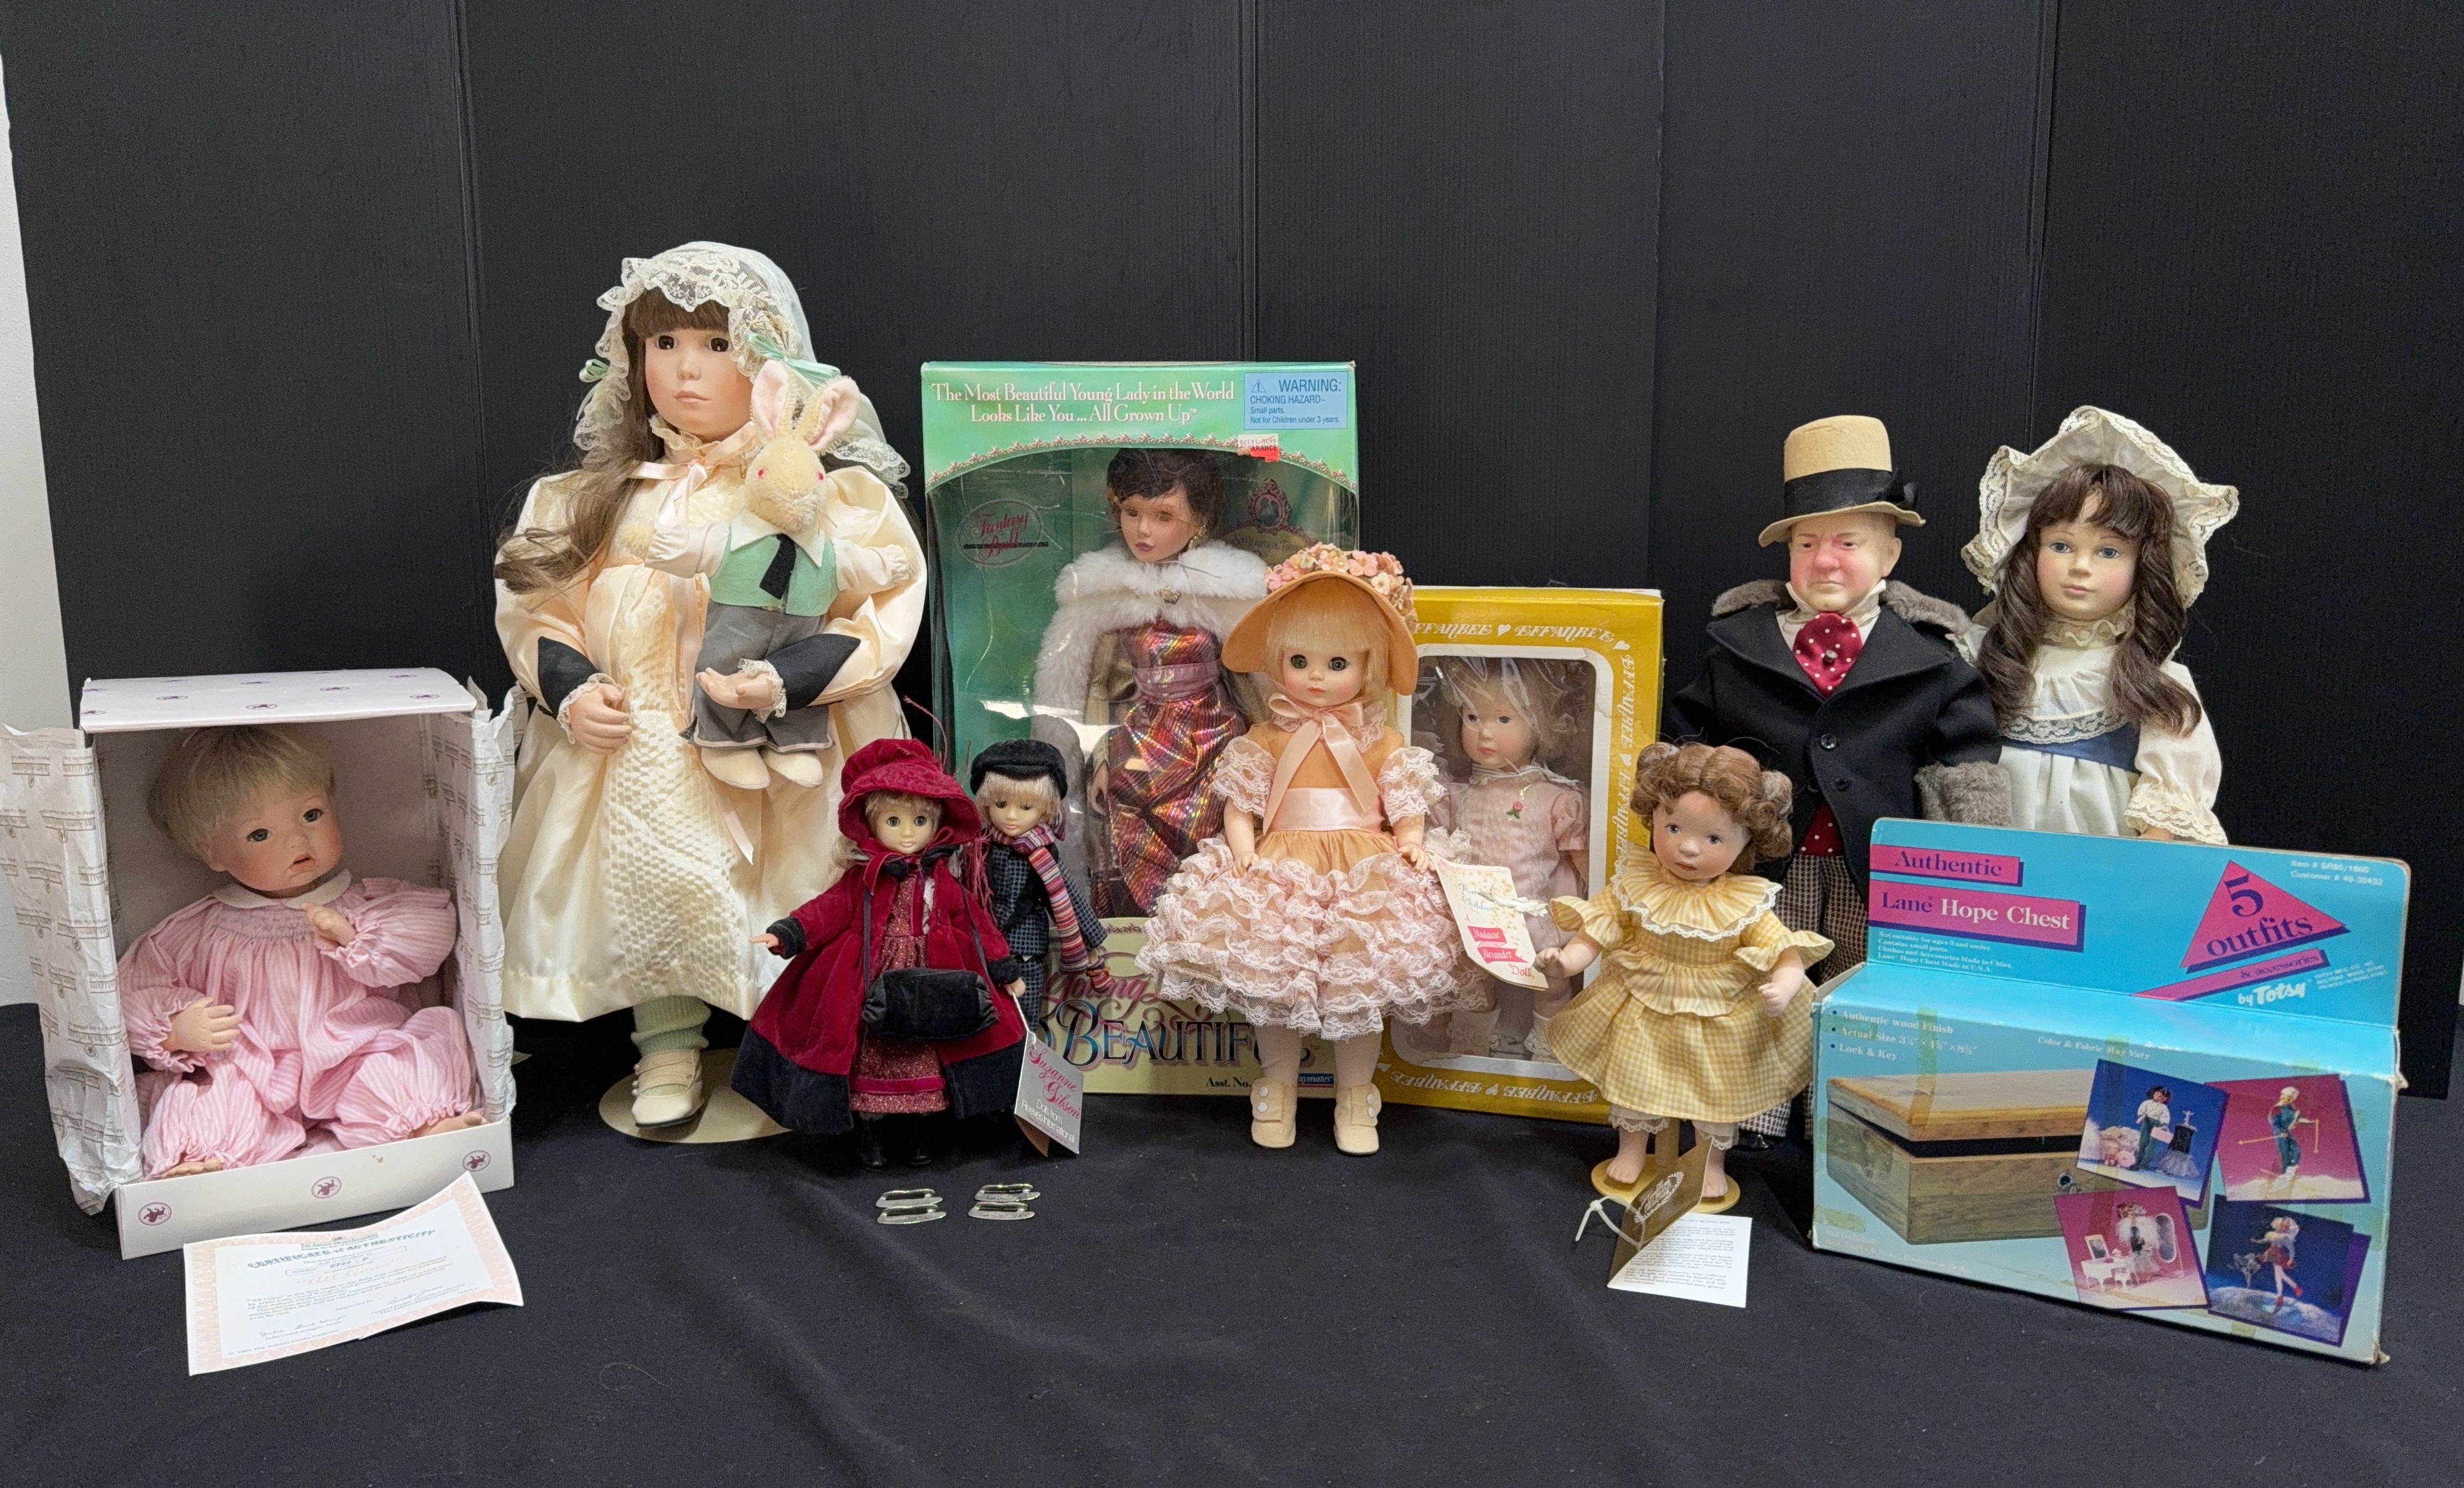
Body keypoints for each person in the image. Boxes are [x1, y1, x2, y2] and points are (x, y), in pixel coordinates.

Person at [493, 242, 922, 1129]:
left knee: (795, 884)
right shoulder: (594, 498)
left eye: (716, 346)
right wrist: (570, 687)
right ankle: (667, 1045)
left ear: (769, 366)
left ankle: (796, 1047)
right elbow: (538, 611)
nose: (685, 370)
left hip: (789, 734)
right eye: (664, 344)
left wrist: (789, 679)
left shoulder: (817, 494)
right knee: (654, 886)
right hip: (643, 742)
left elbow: (878, 609)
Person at [1668, 415, 2008, 1144]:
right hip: (1770, 866)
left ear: (1889, 552)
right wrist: (1691, 792)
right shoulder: (1736, 646)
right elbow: (1689, 735)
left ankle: (1844, 1121)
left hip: (1874, 869)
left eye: (1847, 543)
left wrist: (1966, 847)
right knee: (1760, 981)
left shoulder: (1931, 655)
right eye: (1806, 544)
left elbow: (1966, 759)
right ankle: (1750, 1117)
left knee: (1860, 992)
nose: (1824, 561)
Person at [1137, 546, 1476, 1155]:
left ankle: (1356, 1095)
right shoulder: (1266, 736)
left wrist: (1411, 843)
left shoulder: (1380, 739)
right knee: (1275, 985)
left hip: (1362, 871)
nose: (1316, 677)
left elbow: (1404, 802)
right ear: (1277, 663)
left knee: (1358, 989)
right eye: (1299, 661)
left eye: (1336, 663)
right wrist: (1244, 853)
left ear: (1368, 666)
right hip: (1282, 865)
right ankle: (1277, 1087)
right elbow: (1240, 806)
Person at [119, 726, 478, 1177]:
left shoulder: (364, 906)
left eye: (311, 815)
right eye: (260, 834)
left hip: (355, 1051)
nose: (297, 841)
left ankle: (424, 1125)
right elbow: (130, 992)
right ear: (212, 853)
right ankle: (203, 1160)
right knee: (213, 1093)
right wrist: (171, 1027)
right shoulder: (197, 930)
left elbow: (430, 940)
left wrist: (358, 939)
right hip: (253, 1069)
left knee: (399, 1061)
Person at [1535, 743, 1832, 1204]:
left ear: (1747, 841)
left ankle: (1709, 1162)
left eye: (1714, 839)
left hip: (1719, 1013)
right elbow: (1598, 928)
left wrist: (1784, 985)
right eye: (1672, 828)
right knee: (1635, 1081)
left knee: (1717, 1094)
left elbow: (1784, 951)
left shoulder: (1742, 901)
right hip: (1643, 1004)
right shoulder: (1636, 882)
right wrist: (1567, 961)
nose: (1688, 848)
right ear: (1653, 817)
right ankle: (1632, 1150)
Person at [731, 740, 1030, 1169]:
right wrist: (791, 932)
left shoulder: (943, 881)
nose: (908, 833)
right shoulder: (864, 879)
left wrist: (1003, 967)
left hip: (934, 979)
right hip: (873, 974)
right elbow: (829, 909)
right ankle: (871, 1136)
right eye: (894, 821)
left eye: (920, 821)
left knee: (929, 1056)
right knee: (870, 1054)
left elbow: (976, 924)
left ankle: (922, 1136)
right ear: (872, 824)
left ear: (937, 823)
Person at [1959, 406, 2239, 842]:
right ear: (2030, 553)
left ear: (2144, 567)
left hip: (2101, 869)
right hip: (1994, 871)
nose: (2080, 567)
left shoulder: (2152, 682)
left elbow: (2167, 815)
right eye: (2061, 545)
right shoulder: (1983, 658)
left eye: (2108, 552)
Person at [1031, 448, 1268, 916]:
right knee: (1126, 834)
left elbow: (1253, 681)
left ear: (1200, 520)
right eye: (1131, 512)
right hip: (1136, 741)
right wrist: (1100, 757)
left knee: (1208, 839)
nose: (1143, 531)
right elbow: (1094, 687)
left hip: (1211, 739)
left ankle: (1203, 925)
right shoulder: (1107, 592)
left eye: (1164, 517)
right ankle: (1130, 928)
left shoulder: (1225, 591)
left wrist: (1269, 750)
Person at [1414, 657, 1590, 1059]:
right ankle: (1468, 1050)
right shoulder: (1455, 795)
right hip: (1474, 917)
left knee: (1551, 984)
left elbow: (1584, 867)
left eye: (1504, 720)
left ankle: (1550, 1049)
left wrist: (1594, 914)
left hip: (1535, 914)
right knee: (1473, 985)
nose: (1485, 733)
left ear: (1541, 726)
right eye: (1473, 717)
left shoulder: (1557, 798)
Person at [966, 738, 1119, 1025]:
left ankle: (1025, 1051)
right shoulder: (979, 848)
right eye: (1001, 804)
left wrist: (1092, 941)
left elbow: (1067, 897)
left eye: (1026, 807)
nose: (1011, 816)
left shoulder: (1042, 854)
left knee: (1025, 1016)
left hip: (1026, 948)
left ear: (1045, 809)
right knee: (986, 1016)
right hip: (984, 947)